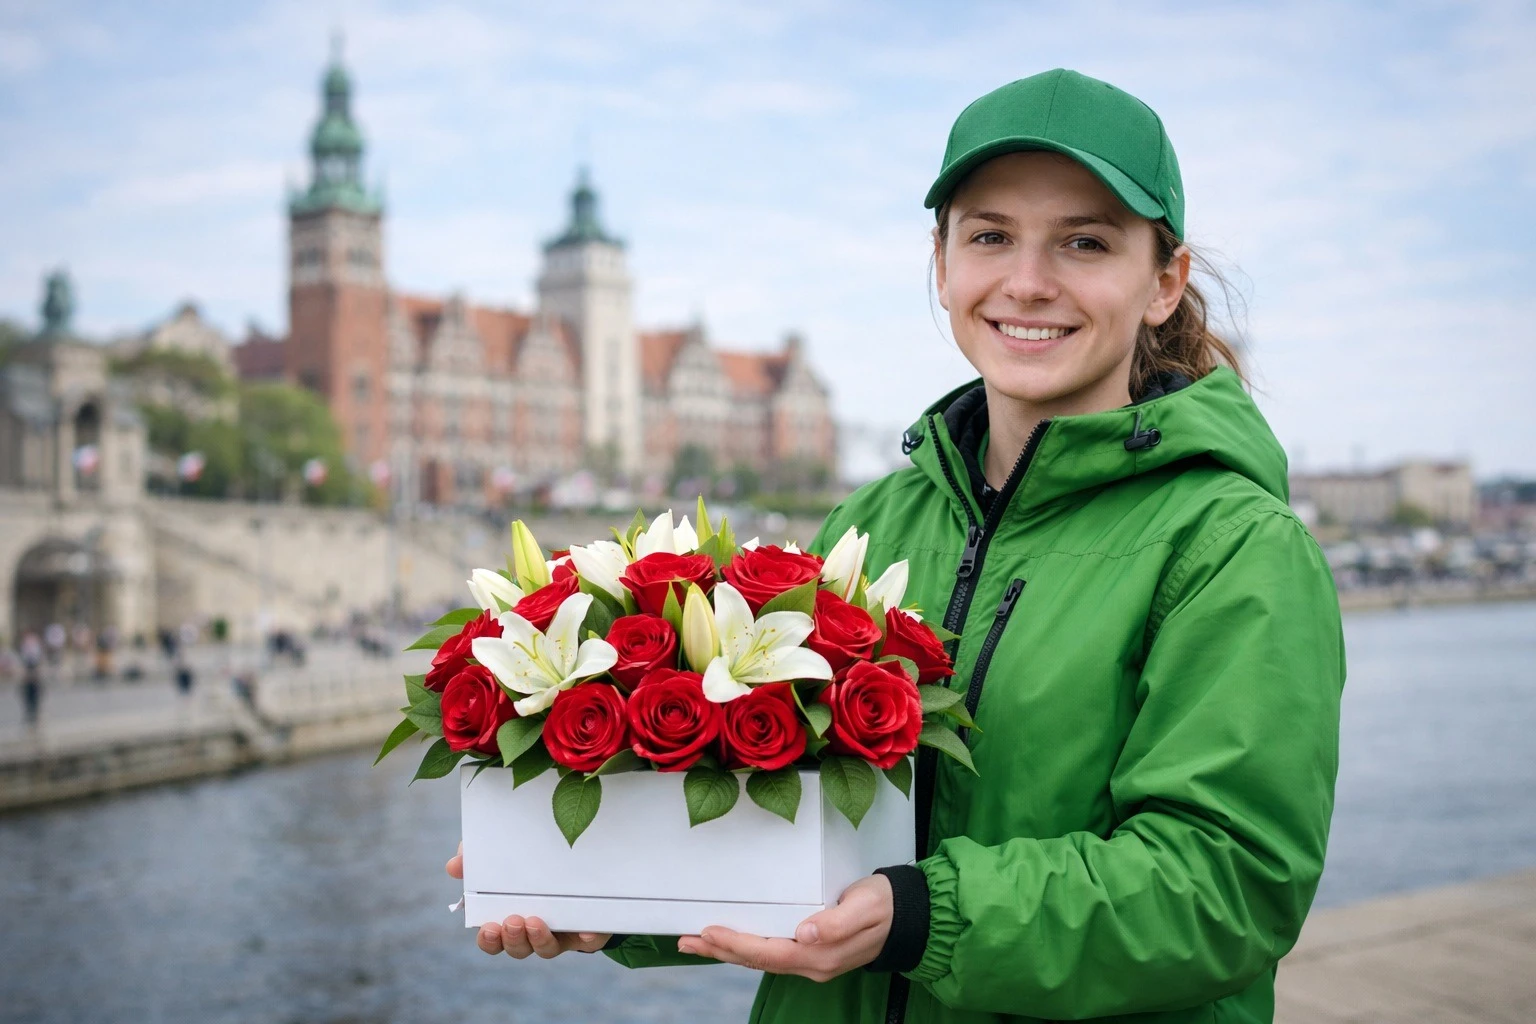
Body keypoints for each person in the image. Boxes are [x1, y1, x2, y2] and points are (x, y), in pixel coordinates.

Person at [448, 68, 1345, 1023]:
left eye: (1085, 242)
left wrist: (922, 917)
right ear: (943, 263)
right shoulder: (868, 526)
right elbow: (781, 832)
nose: (1027, 282)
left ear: (1164, 282)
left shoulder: (1235, 547)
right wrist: (608, 899)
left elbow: (1229, 889)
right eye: (990, 236)